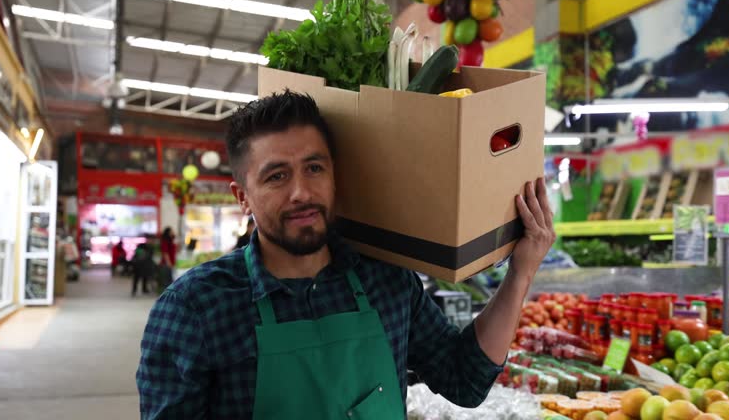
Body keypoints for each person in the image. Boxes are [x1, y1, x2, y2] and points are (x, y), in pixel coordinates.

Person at [137, 91, 555, 419]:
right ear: (242, 198)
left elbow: (465, 379)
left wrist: (520, 271)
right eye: (277, 176)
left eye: (315, 168)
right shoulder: (195, 309)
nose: (302, 192)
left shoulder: (387, 281)